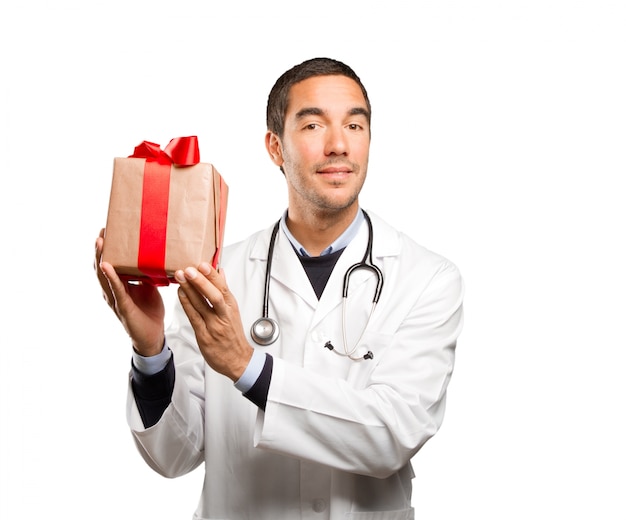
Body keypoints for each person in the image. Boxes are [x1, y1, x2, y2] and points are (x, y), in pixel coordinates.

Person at [95, 57, 464, 520]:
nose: (338, 145)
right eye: (313, 125)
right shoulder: (215, 272)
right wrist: (150, 351)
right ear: (275, 147)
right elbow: (174, 454)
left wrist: (248, 367)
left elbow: (391, 434)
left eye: (355, 124)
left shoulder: (426, 278)